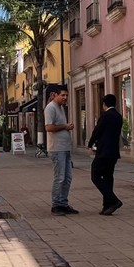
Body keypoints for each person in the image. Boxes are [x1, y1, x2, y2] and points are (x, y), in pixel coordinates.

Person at [87, 94, 124, 215]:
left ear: (104, 104)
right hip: (113, 152)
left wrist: (90, 143)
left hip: (103, 151)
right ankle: (107, 205)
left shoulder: (106, 116)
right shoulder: (118, 116)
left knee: (95, 175)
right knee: (108, 177)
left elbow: (97, 130)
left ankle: (114, 200)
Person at [45, 86, 78, 216]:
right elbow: (48, 127)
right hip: (56, 149)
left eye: (66, 95)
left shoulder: (61, 108)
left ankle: (63, 203)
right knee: (59, 177)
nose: (65, 98)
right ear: (55, 95)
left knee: (67, 177)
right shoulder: (51, 108)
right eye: (63, 95)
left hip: (65, 148)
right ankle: (56, 205)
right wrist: (65, 126)